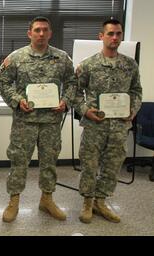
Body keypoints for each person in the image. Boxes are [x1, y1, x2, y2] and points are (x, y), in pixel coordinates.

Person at [0, 16, 76, 222]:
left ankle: (47, 199)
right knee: (18, 162)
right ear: (29, 33)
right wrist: (17, 100)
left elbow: (72, 83)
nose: (41, 33)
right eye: (37, 30)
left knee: (49, 163)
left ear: (50, 33)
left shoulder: (62, 58)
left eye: (45, 30)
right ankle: (14, 201)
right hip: (24, 121)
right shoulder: (16, 57)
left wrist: (66, 101)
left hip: (51, 121)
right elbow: (2, 81)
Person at [74, 19, 142, 224]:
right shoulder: (88, 65)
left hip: (120, 126)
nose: (115, 38)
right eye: (110, 33)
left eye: (118, 34)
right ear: (101, 36)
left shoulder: (129, 65)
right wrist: (85, 110)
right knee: (89, 165)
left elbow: (136, 91)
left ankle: (100, 201)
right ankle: (87, 202)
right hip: (95, 125)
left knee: (112, 166)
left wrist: (132, 110)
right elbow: (75, 93)